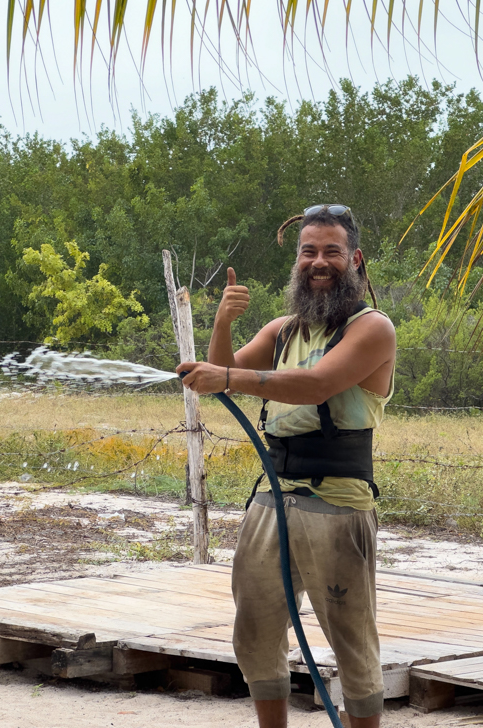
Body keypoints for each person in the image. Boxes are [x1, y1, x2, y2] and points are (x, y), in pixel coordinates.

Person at [177, 204, 397, 728]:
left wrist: (227, 378)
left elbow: (318, 383)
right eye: (308, 251)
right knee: (254, 632)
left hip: (338, 505)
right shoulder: (281, 330)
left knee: (352, 644)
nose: (318, 262)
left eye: (331, 252)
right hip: (271, 500)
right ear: (297, 260)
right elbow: (224, 370)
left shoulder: (374, 329)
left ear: (356, 260)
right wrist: (223, 322)